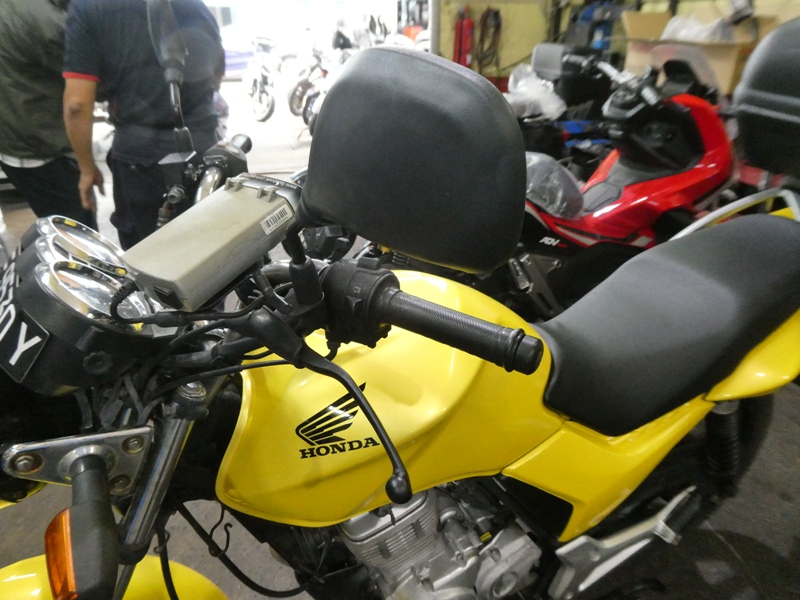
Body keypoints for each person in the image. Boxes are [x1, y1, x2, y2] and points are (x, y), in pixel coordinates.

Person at [63, 0, 224, 249]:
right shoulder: (195, 4)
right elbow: (217, 69)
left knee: (151, 254)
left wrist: (86, 168)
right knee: (215, 247)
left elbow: (77, 105)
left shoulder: (89, 8)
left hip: (141, 162)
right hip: (206, 146)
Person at [0, 0, 98, 230]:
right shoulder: (44, 21)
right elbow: (84, 90)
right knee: (78, 234)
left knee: (56, 224)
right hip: (45, 148)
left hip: (12, 145)